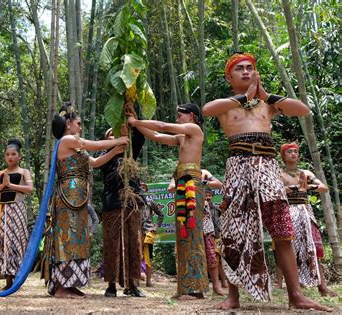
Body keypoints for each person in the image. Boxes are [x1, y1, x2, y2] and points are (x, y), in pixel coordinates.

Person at [202, 52, 330, 311]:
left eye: (250, 68)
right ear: (230, 77)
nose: (246, 72)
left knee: (282, 231)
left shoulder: (267, 104)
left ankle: (296, 296)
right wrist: (244, 97)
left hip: (268, 169)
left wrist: (265, 95)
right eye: (240, 69)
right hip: (238, 168)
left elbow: (303, 109)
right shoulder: (227, 104)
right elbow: (205, 110)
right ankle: (233, 297)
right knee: (232, 233)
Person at [42, 102, 129, 298]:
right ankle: (62, 286)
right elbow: (95, 145)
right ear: (68, 124)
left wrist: (115, 152)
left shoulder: (76, 146)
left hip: (78, 196)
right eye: (78, 123)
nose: (80, 127)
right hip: (68, 195)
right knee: (68, 237)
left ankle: (71, 284)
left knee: (78, 238)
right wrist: (117, 141)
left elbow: (96, 162)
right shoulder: (66, 141)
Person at [127, 102, 206, 299]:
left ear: (193, 116)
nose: (178, 118)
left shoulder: (195, 129)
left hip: (191, 184)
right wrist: (136, 122)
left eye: (181, 115)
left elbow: (162, 126)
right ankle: (187, 287)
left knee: (192, 231)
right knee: (183, 232)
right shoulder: (182, 137)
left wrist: (136, 121)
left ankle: (195, 289)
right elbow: (155, 135)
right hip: (181, 183)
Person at [280, 142, 337, 297]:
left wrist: (309, 187)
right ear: (283, 156)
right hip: (289, 212)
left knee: (312, 246)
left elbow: (324, 188)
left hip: (305, 211)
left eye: (295, 151)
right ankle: (295, 288)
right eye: (290, 152)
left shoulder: (306, 173)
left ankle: (322, 287)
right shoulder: (279, 174)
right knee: (292, 248)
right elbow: (276, 192)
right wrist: (295, 188)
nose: (293, 154)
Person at [101, 119, 146, 298]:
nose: (115, 137)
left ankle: (132, 285)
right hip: (112, 204)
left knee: (133, 244)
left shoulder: (130, 154)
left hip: (131, 203)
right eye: (111, 135)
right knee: (113, 244)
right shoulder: (104, 156)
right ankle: (111, 285)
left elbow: (140, 138)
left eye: (117, 134)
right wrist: (115, 148)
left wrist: (132, 120)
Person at [0, 139, 33, 290]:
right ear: (4, 157)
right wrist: (2, 185)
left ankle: (18, 278)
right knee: (3, 243)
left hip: (17, 210)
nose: (10, 157)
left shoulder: (24, 172)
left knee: (17, 241)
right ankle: (7, 280)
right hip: (2, 210)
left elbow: (30, 189)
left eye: (13, 154)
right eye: (7, 154)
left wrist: (11, 185)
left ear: (20, 157)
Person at [139, 182, 164, 287]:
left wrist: (156, 226)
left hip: (148, 231)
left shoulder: (150, 202)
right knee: (136, 256)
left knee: (148, 257)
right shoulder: (132, 201)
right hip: (136, 231)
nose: (141, 188)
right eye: (139, 186)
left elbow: (160, 214)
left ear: (146, 190)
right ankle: (135, 281)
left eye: (143, 187)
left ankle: (148, 281)